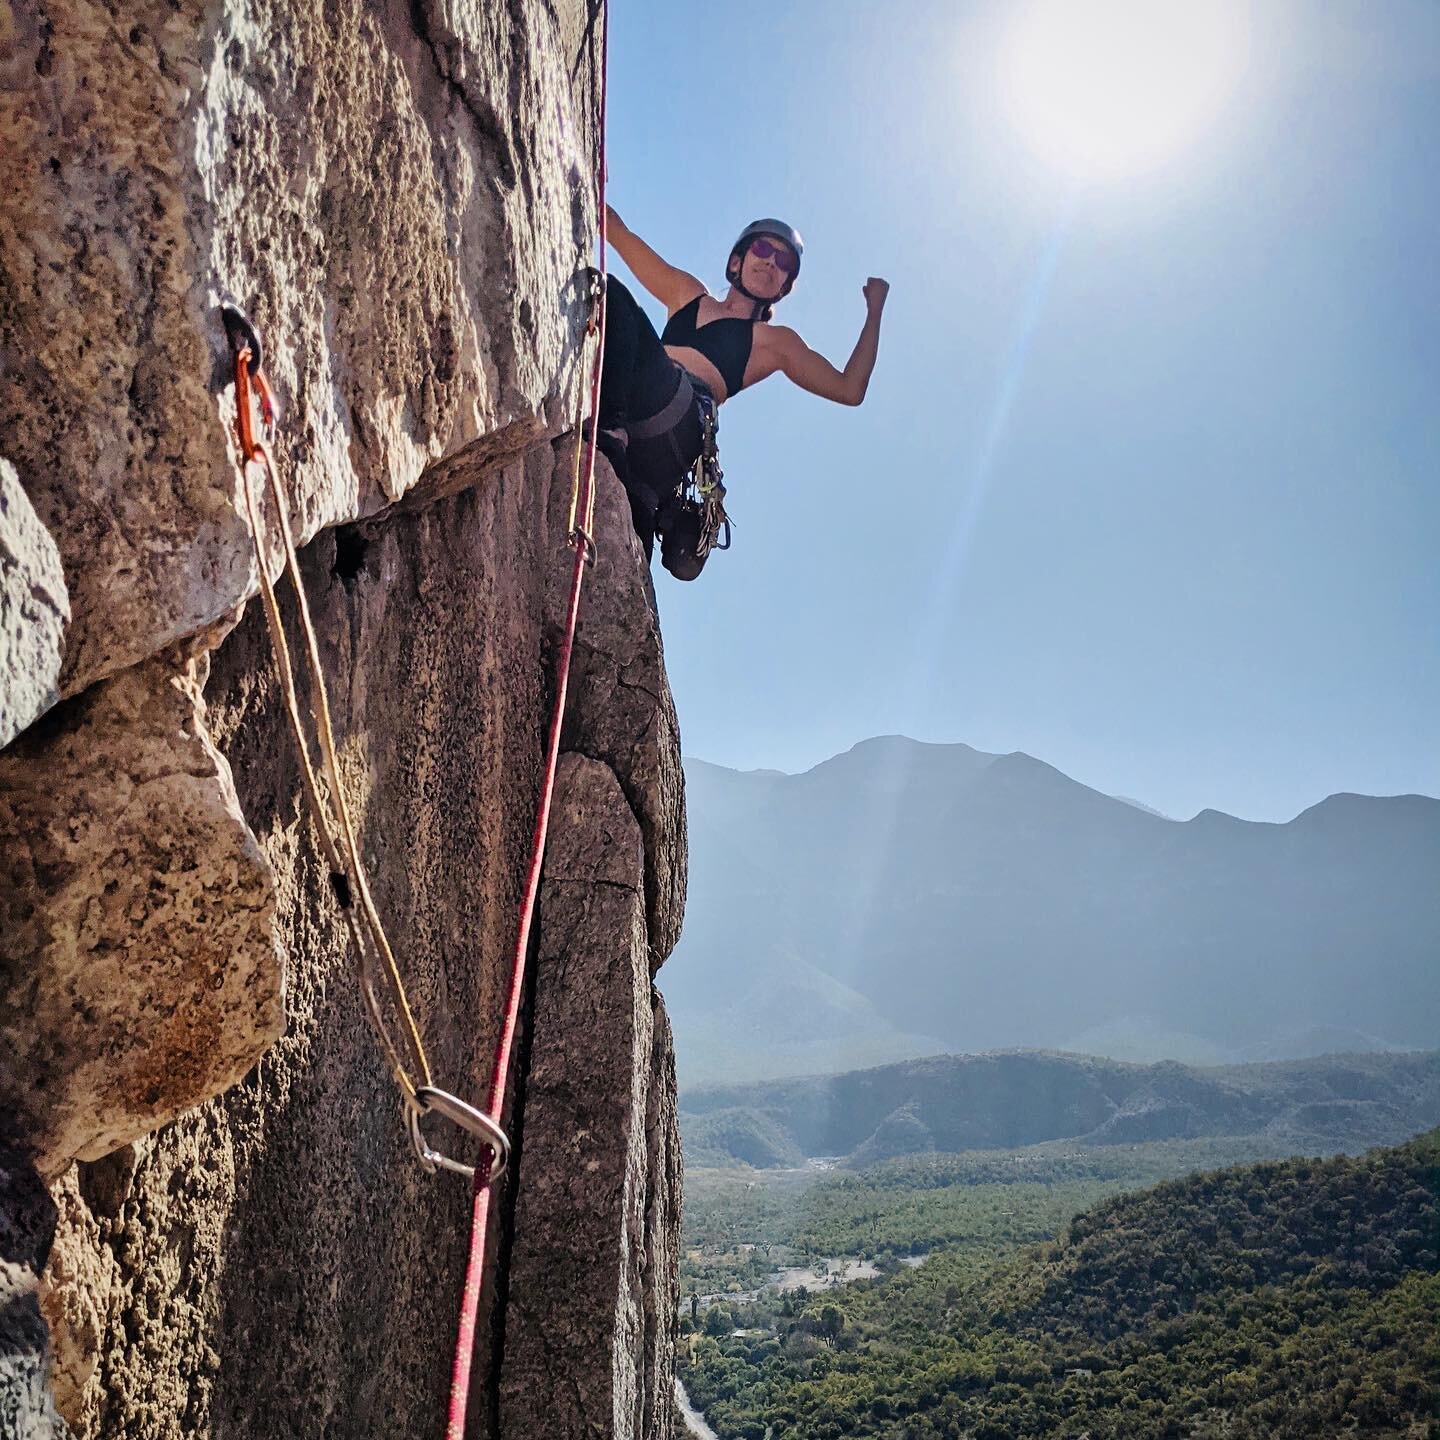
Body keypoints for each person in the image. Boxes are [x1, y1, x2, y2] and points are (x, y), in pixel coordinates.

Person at [597, 206, 888, 577]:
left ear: (783, 287)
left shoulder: (773, 342)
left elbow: (849, 389)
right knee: (632, 533)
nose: (771, 263)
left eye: (783, 261)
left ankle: (607, 436)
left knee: (614, 296)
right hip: (650, 443)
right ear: (737, 261)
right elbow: (619, 234)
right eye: (764, 251)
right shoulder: (687, 294)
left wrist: (874, 312)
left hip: (679, 420)